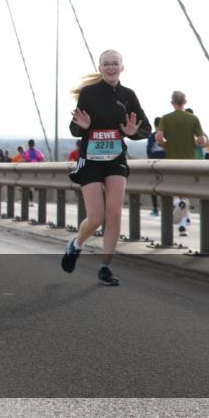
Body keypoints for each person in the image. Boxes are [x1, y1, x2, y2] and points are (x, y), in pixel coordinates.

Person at [62, 49, 150, 287]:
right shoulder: (89, 93)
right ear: (100, 68)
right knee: (96, 218)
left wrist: (132, 133)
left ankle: (105, 267)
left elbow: (145, 129)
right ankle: (76, 245)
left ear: (122, 67)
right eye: (106, 64)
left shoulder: (128, 95)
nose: (110, 67)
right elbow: (74, 129)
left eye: (115, 63)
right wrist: (84, 126)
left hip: (115, 159)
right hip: (90, 159)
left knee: (114, 213)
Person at [156, 92, 208, 236]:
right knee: (185, 193)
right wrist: (196, 142)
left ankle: (175, 204)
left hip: (171, 161)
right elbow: (201, 140)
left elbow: (159, 137)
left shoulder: (166, 118)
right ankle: (184, 225)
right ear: (185, 102)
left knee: (171, 191)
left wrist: (166, 144)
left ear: (172, 102)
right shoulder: (193, 118)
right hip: (188, 161)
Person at [145, 115, 166, 216]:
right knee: (166, 185)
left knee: (154, 186)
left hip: (154, 162)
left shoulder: (153, 136)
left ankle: (155, 209)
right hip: (165, 162)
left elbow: (149, 150)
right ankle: (165, 208)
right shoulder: (166, 135)